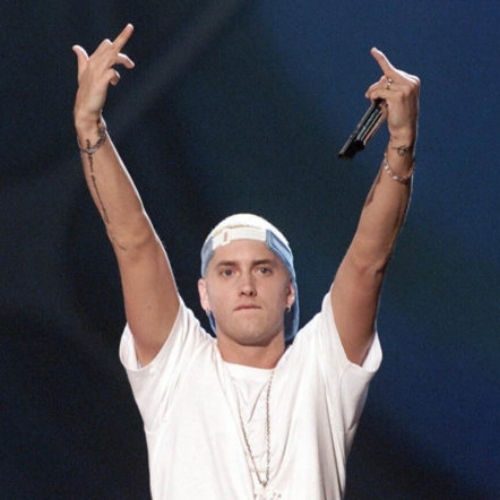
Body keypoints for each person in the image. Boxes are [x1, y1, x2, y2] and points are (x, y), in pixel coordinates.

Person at [73, 23, 419, 500]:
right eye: (227, 271)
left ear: (290, 290)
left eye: (263, 268)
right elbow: (133, 241)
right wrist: (89, 127)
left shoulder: (323, 369)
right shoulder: (176, 368)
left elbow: (368, 261)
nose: (246, 284)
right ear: (203, 293)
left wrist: (401, 144)